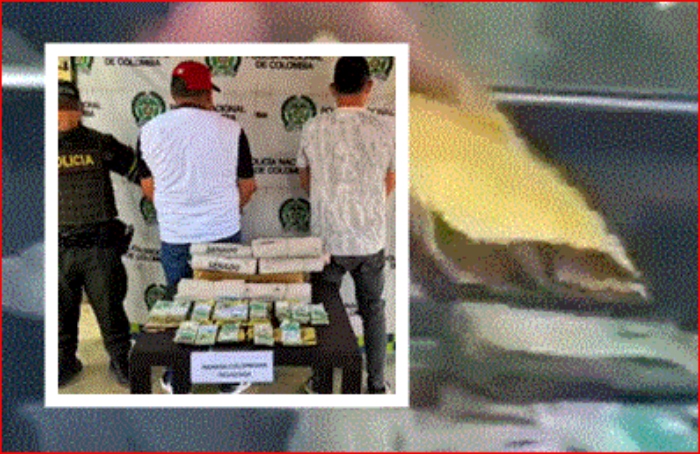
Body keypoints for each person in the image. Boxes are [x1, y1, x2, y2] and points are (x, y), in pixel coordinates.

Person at [137, 60, 257, 394]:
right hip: (222, 233)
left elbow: (148, 187)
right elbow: (248, 187)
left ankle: (179, 377)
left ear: (174, 94)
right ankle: (227, 378)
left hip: (175, 236)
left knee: (181, 306)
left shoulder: (149, 131)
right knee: (225, 306)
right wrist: (224, 211)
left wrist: (177, 211)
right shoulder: (231, 130)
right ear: (207, 94)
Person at [298, 57, 396, 394]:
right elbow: (390, 180)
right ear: (369, 86)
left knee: (322, 312)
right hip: (369, 239)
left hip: (327, 241)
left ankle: (320, 383)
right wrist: (366, 207)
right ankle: (377, 385)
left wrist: (330, 203)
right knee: (373, 310)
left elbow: (305, 181)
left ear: (332, 89)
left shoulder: (313, 127)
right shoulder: (386, 129)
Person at [58, 81, 154, 388]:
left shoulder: (100, 143)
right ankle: (63, 363)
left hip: (98, 247)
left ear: (80, 110)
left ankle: (121, 360)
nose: (63, 115)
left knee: (111, 311)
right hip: (56, 249)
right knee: (60, 315)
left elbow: (140, 172)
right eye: (57, 108)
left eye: (68, 108)